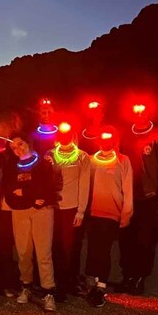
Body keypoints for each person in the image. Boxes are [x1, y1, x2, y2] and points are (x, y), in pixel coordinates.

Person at [119, 103, 158, 295]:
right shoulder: (125, 134)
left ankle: (140, 277)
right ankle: (127, 275)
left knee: (145, 239)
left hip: (149, 196)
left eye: (143, 110)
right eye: (136, 111)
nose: (140, 114)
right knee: (126, 238)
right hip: (127, 195)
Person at [2, 137, 57, 312]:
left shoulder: (43, 163)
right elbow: (10, 191)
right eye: (13, 147)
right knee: (23, 251)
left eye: (20, 144)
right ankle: (26, 285)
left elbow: (47, 187)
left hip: (42, 211)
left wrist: (25, 191)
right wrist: (33, 196)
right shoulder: (11, 166)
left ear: (28, 143)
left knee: (43, 252)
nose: (18, 149)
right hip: (20, 212)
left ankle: (48, 291)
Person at [84, 125, 133, 307]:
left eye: (110, 138)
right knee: (92, 248)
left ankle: (100, 286)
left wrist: (126, 213)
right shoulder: (91, 160)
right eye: (103, 138)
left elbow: (127, 188)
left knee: (103, 250)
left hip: (112, 213)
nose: (106, 142)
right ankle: (90, 282)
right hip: (93, 211)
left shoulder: (122, 160)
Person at [46, 118, 91, 299]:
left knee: (70, 247)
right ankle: (56, 282)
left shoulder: (82, 156)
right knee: (54, 245)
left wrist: (81, 210)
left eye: (67, 134)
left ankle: (70, 281)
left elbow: (84, 183)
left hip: (72, 208)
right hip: (53, 207)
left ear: (73, 135)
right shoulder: (50, 154)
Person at [0, 113, 20, 298]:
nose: (2, 132)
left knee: (5, 246)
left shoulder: (13, 152)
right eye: (0, 129)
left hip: (6, 206)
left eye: (6, 129)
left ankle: (5, 282)